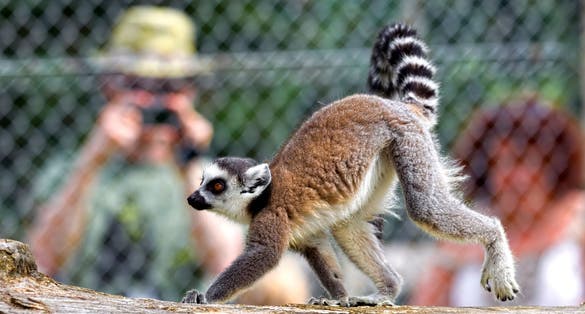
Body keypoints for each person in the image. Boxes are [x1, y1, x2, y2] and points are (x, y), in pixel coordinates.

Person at [28, 5, 309, 304]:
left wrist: (188, 162)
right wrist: (92, 159)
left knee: (281, 278)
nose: (154, 101)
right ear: (109, 86)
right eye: (138, 85)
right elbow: (40, 263)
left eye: (168, 87)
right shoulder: (71, 172)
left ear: (189, 92)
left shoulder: (205, 178)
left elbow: (226, 263)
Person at [408, 98, 585, 306]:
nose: (518, 178)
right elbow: (424, 306)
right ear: (487, 172)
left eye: (528, 162)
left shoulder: (577, 219)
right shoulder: (466, 228)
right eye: (502, 163)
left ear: (553, 167)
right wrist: (450, 260)